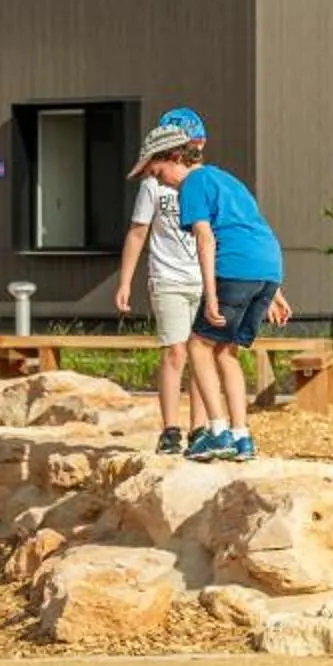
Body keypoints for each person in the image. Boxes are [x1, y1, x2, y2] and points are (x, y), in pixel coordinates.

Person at [169, 144, 290, 463]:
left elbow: (205, 239)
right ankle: (241, 436)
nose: (158, 180)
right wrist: (274, 291)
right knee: (226, 351)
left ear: (175, 158)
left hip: (235, 268)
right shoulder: (227, 180)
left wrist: (210, 296)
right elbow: (252, 227)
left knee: (198, 345)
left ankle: (217, 432)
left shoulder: (192, 184)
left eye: (157, 172)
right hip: (268, 267)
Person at [116, 122, 214, 455]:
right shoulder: (153, 185)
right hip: (168, 276)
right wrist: (125, 281)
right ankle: (170, 428)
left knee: (201, 351)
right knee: (175, 350)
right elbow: (138, 232)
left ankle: (200, 427)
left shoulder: (204, 182)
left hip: (202, 278)